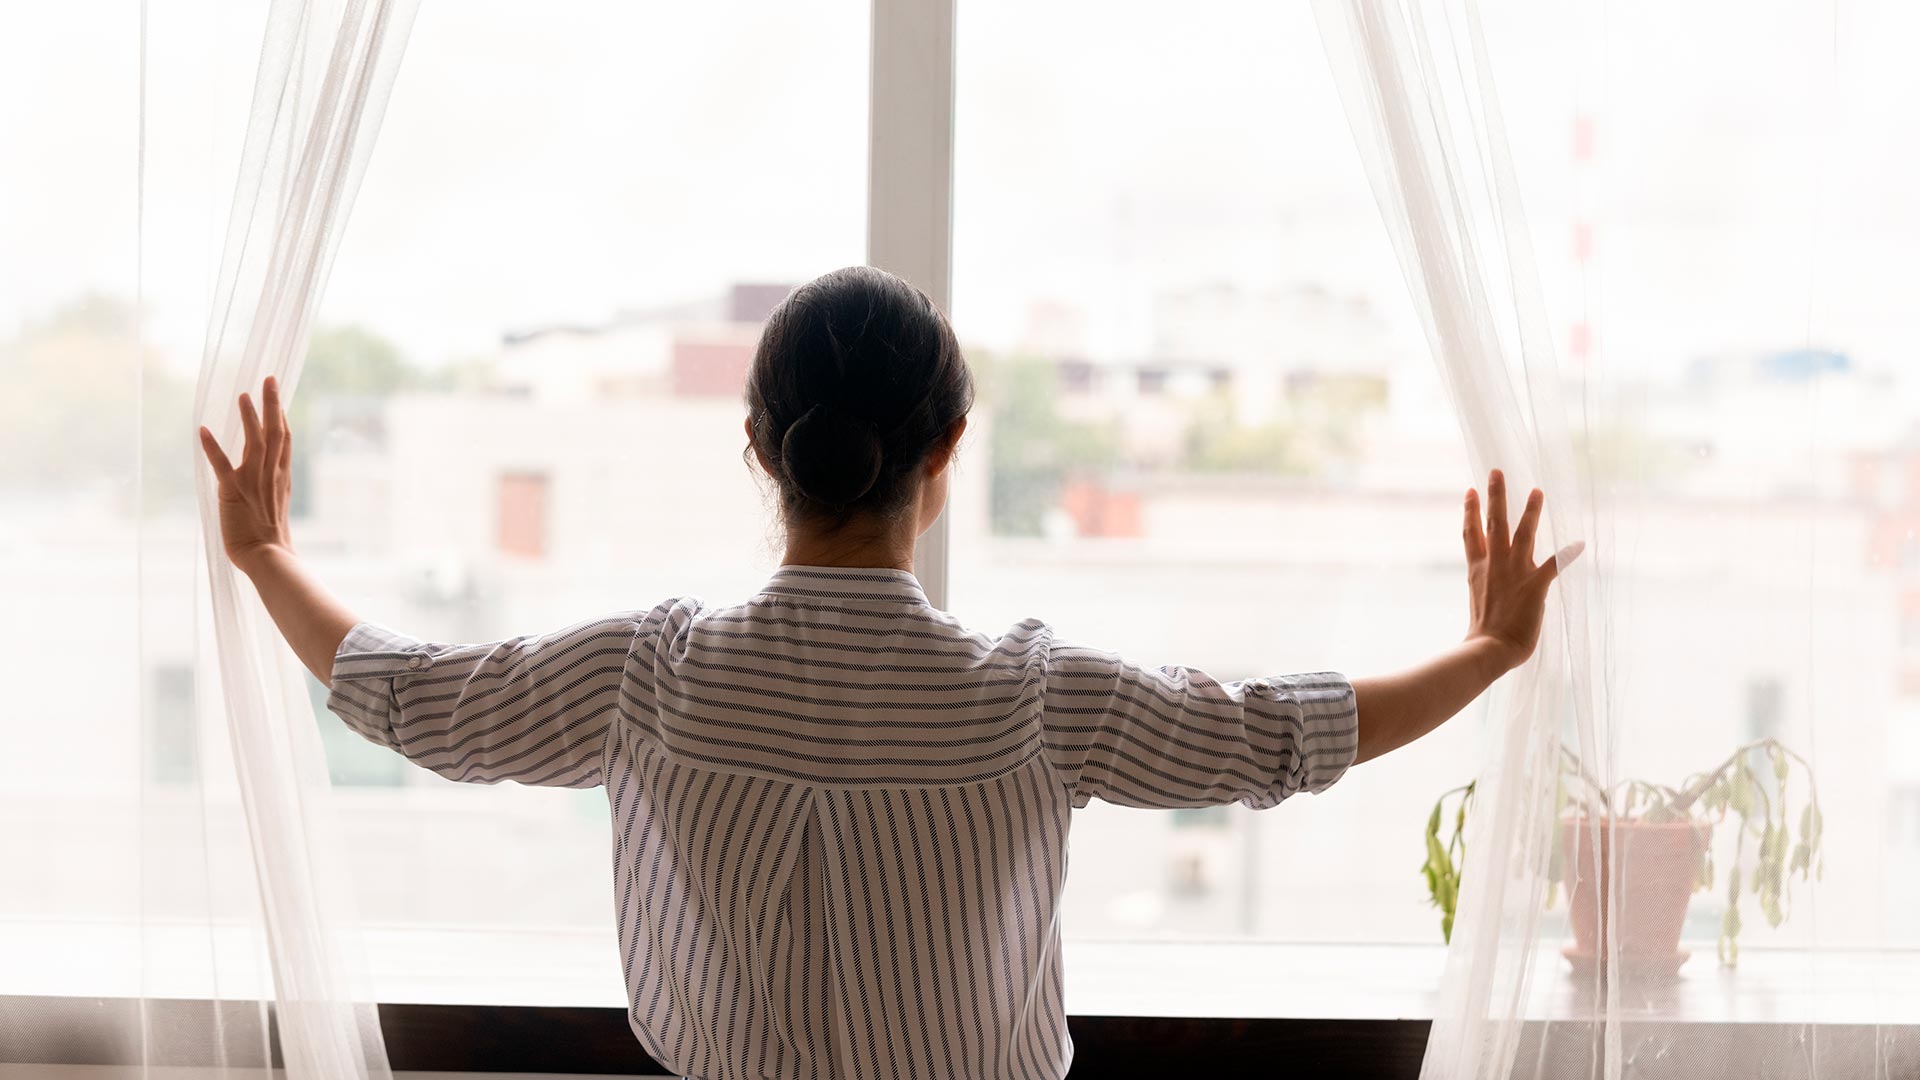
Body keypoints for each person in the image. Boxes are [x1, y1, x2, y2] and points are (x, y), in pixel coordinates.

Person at [199, 265, 1579, 1080]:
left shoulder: (652, 675)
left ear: (758, 446)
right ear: (949, 450)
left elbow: (421, 700)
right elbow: (1280, 740)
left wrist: (265, 558)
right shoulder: (1034, 696)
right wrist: (1492, 650)